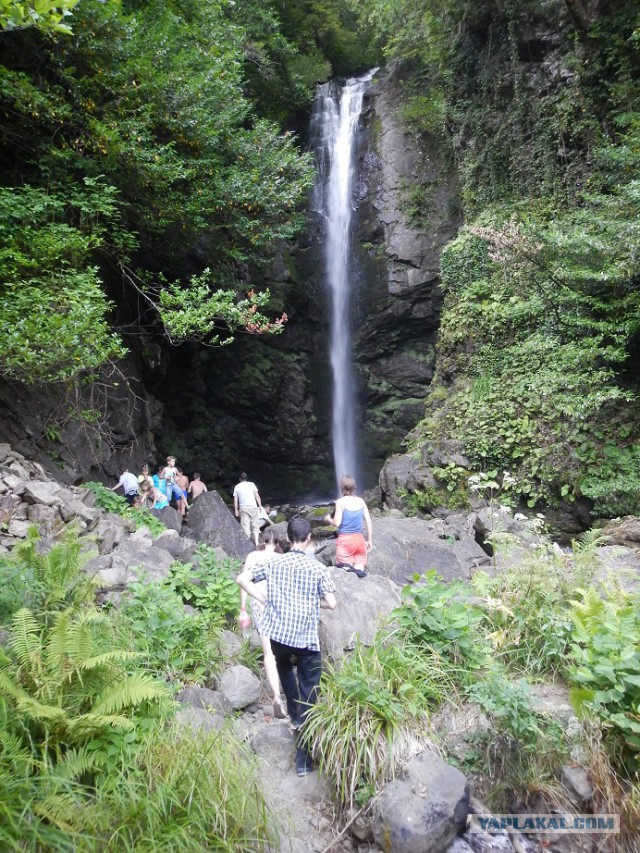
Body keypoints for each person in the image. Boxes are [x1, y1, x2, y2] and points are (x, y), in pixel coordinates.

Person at [236, 517, 337, 777]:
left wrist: (263, 598)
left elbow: (242, 579)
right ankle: (303, 758)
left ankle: (293, 712)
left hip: (279, 635)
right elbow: (332, 603)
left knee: (282, 666)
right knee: (310, 691)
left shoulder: (273, 562)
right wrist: (314, 604)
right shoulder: (316, 569)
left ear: (287, 538)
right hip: (305, 639)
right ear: (309, 537)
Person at [238, 528, 286, 719]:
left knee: (268, 653)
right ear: (278, 543)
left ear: (264, 539)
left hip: (259, 603)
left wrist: (243, 608)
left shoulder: (252, 556)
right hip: (278, 605)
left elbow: (243, 583)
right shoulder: (281, 559)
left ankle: (276, 696)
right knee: (280, 648)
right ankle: (287, 687)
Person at [324, 474, 373, 578]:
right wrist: (369, 541)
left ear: (341, 488)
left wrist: (329, 519)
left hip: (345, 542)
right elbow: (368, 521)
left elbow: (337, 523)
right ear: (354, 487)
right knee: (359, 575)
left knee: (346, 576)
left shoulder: (340, 503)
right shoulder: (361, 501)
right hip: (359, 541)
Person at [233, 472, 263, 547]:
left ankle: (248, 544)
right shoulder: (252, 484)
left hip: (243, 507)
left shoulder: (237, 487)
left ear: (240, 478)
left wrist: (236, 510)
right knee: (255, 525)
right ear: (246, 478)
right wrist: (260, 506)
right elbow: (257, 496)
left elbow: (235, 500)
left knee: (245, 526)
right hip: (253, 506)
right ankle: (256, 543)